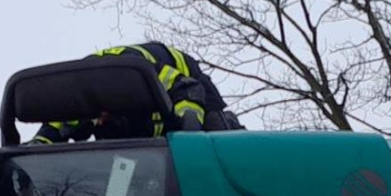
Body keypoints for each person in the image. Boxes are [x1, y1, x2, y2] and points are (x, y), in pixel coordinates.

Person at [31, 42, 239, 143]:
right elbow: (53, 127)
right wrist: (37, 146)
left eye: (103, 116)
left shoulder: (133, 76)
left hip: (189, 82)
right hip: (132, 117)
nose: (100, 121)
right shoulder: (78, 96)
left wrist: (189, 129)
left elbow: (187, 88)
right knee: (120, 166)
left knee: (217, 140)